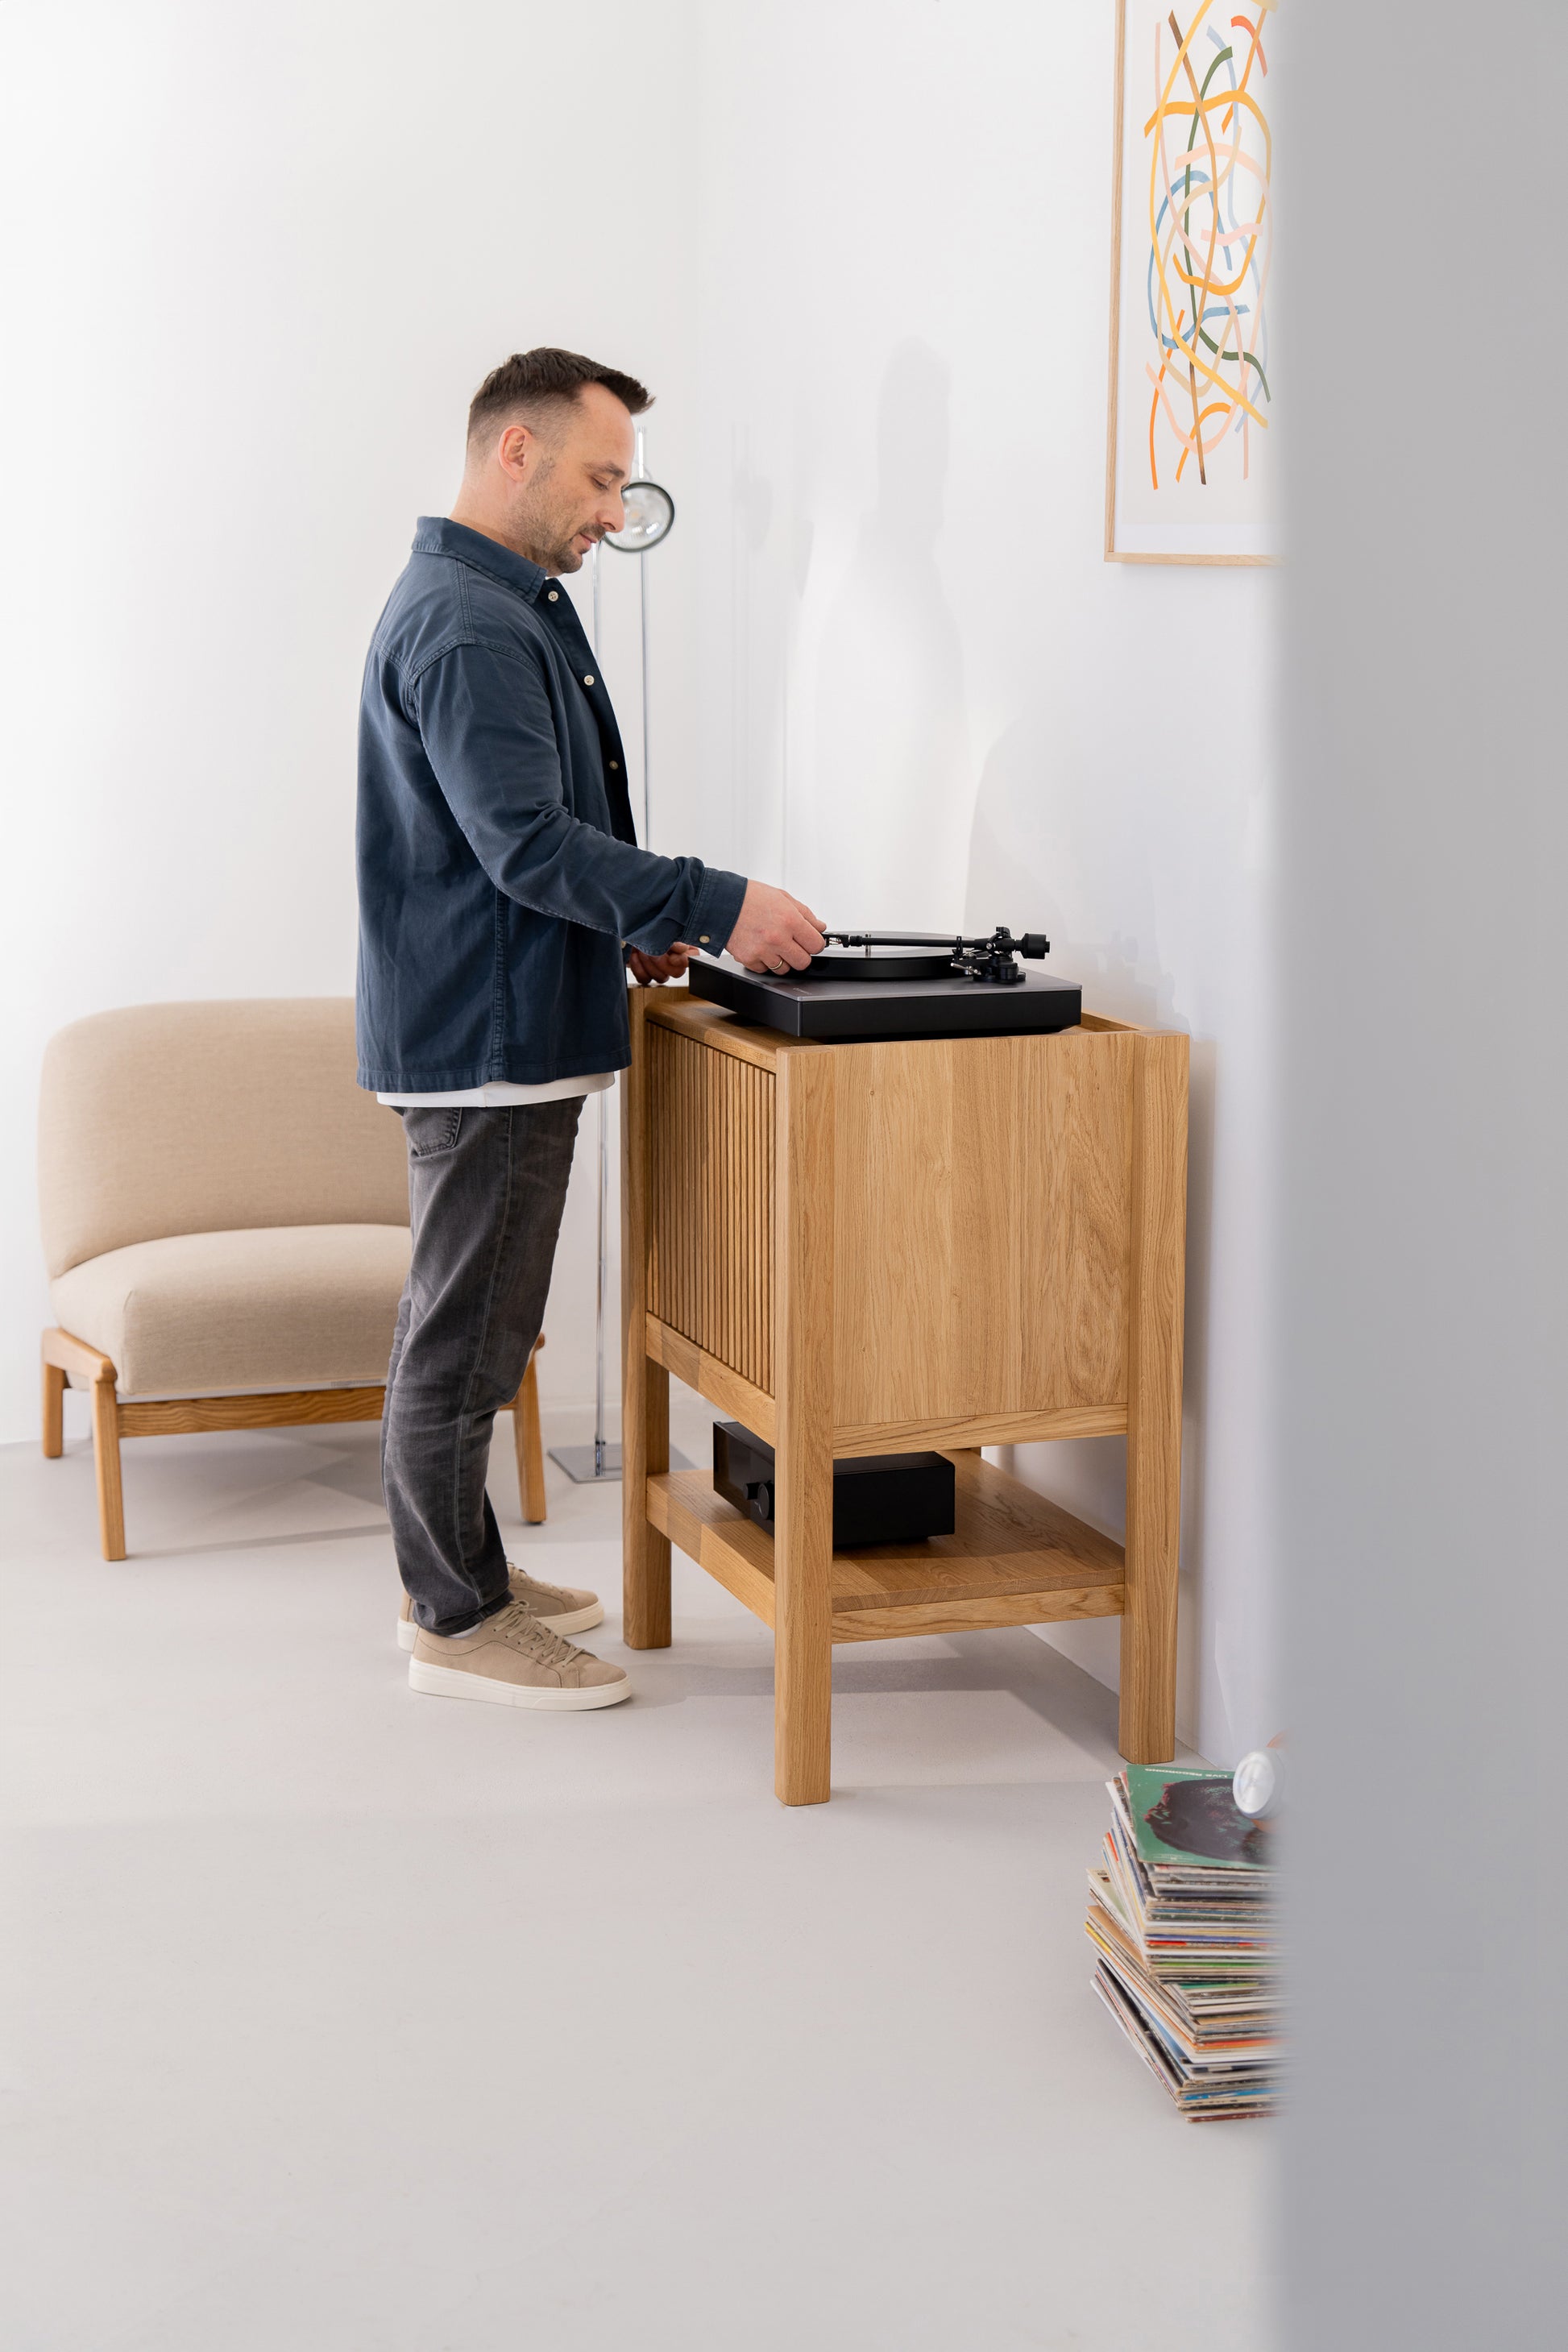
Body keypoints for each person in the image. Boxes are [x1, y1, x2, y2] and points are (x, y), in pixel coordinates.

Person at [356, 346, 824, 1714]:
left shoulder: (508, 599)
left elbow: (526, 835)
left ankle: (468, 1579)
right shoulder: (470, 621)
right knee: (466, 1339)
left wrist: (623, 920)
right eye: (600, 477)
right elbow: (524, 843)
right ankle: (453, 1619)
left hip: (505, 1010)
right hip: (487, 1034)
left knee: (483, 1332)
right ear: (516, 450)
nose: (615, 509)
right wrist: (718, 901)